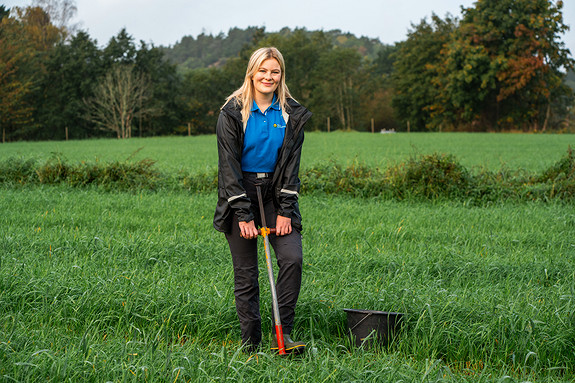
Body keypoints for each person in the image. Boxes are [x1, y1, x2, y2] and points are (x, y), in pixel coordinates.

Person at [213, 47, 312, 353]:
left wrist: (285, 210)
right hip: (239, 194)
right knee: (247, 275)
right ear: (252, 73)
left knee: (292, 259)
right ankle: (250, 344)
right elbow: (227, 168)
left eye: (275, 72)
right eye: (263, 71)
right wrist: (243, 215)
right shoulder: (232, 112)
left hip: (276, 196)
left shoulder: (291, 114)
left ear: (281, 75)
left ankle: (283, 336)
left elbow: (291, 168)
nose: (268, 77)